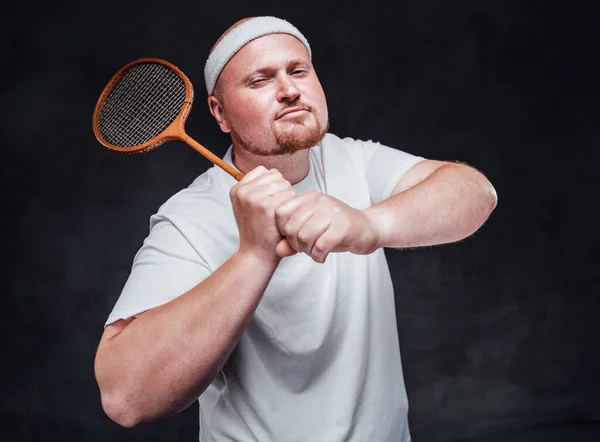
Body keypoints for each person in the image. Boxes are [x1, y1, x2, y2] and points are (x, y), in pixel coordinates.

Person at [94, 16, 497, 441]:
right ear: (220, 113)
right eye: (260, 80)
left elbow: (474, 192)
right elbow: (125, 399)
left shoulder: (352, 161)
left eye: (298, 71)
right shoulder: (189, 219)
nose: (289, 90)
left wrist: (367, 223)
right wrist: (254, 254)